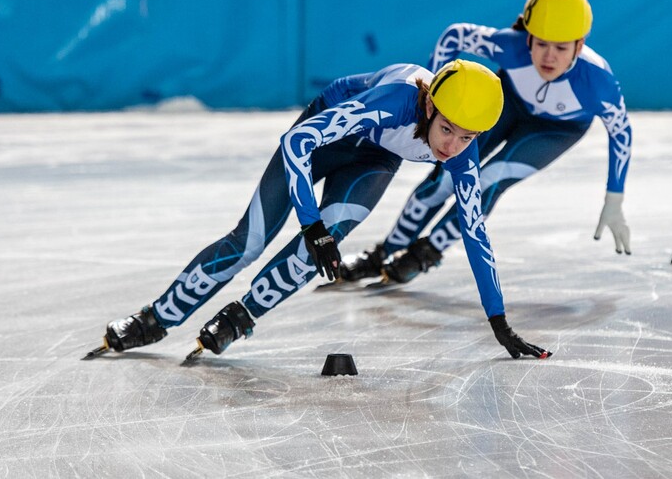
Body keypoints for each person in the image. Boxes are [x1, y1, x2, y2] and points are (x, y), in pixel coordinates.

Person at [87, 59, 551, 361]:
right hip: (322, 137)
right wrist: (311, 225)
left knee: (322, 250)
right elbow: (298, 141)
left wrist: (498, 319)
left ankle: (240, 317)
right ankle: (155, 319)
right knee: (250, 241)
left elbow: (474, 229)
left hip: (372, 160)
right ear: (429, 103)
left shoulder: (462, 147)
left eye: (468, 138)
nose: (452, 147)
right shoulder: (394, 103)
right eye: (448, 130)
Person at [338, 0, 631, 286]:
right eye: (541, 44)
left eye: (561, 48)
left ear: (579, 47)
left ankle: (426, 252)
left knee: (491, 179)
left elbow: (621, 132)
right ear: (528, 37)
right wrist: (435, 93)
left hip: (556, 130)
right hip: (509, 104)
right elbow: (454, 35)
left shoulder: (598, 82)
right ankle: (382, 254)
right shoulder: (512, 46)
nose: (548, 57)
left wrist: (614, 198)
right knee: (443, 180)